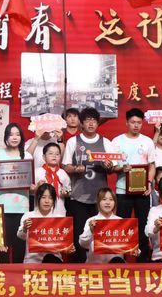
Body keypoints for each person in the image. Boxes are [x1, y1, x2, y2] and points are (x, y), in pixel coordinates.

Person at [61, 107, 116, 262]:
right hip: (78, 196)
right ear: (82, 124)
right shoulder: (73, 141)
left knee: (100, 233)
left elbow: (113, 168)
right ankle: (79, 268)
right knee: (79, 235)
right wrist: (77, 168)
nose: (91, 123)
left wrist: (109, 166)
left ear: (98, 123)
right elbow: (65, 166)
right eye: (87, 120)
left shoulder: (106, 142)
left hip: (100, 198)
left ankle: (101, 266)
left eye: (94, 120)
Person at [112, 108, 156, 262]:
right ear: (127, 123)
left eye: (139, 122)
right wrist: (121, 169)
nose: (136, 125)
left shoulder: (147, 141)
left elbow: (152, 165)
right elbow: (112, 167)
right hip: (122, 190)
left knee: (143, 226)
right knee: (123, 226)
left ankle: (142, 261)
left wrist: (149, 183)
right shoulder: (117, 141)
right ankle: (120, 259)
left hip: (142, 191)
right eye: (133, 122)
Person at [0, 123, 33, 263]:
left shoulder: (27, 155)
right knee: (4, 247)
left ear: (21, 137)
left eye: (17, 134)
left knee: (20, 246)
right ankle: (4, 274)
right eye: (11, 134)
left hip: (22, 206)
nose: (14, 137)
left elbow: (30, 183)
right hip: (3, 207)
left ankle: (18, 274)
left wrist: (34, 186)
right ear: (6, 137)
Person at [79, 187, 137, 263]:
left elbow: (129, 245)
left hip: (116, 265)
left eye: (111, 199)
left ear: (115, 202)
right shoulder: (91, 221)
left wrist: (135, 250)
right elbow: (83, 244)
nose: (108, 202)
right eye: (104, 199)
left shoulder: (121, 221)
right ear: (98, 202)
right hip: (95, 265)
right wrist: (91, 230)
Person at [18, 183, 70, 263]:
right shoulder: (28, 216)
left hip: (54, 260)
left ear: (54, 201)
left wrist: (69, 248)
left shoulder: (59, 218)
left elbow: (65, 244)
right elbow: (20, 236)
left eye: (50, 198)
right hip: (32, 260)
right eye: (43, 197)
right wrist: (25, 228)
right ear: (38, 198)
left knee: (51, 259)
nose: (47, 201)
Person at [34, 142, 71, 215]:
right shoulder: (37, 172)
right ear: (44, 157)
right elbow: (30, 191)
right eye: (50, 153)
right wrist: (37, 186)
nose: (54, 156)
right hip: (40, 212)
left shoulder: (63, 173)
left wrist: (66, 193)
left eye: (57, 154)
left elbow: (69, 189)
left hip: (59, 211)